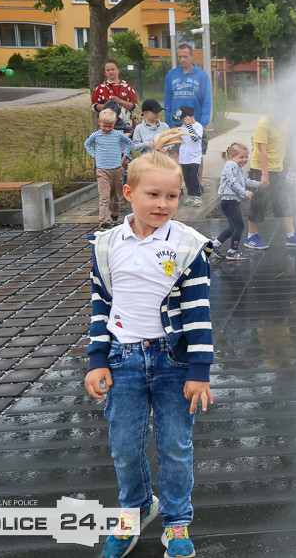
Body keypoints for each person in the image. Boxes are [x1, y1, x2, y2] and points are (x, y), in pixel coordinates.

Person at [83, 131, 213, 558]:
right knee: (124, 445)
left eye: (172, 196)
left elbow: (198, 313)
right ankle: (136, 511)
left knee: (175, 444)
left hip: (173, 360)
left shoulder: (188, 246)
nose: (162, 204)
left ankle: (176, 522)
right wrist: (96, 360)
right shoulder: (106, 246)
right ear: (128, 192)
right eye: (153, 194)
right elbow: (100, 305)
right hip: (122, 359)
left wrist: (199, 372)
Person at [244, 102, 296, 249]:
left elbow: (287, 145)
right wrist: (265, 175)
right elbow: (262, 151)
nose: (281, 117)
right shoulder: (263, 124)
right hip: (260, 171)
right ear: (271, 108)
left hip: (278, 169)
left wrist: (293, 163)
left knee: (283, 201)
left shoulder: (285, 122)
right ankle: (251, 237)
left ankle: (291, 236)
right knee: (259, 203)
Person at [84, 108, 132, 230]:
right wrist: (93, 154)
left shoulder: (117, 134)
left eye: (110, 126)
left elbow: (129, 142)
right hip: (102, 170)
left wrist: (125, 156)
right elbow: (87, 144)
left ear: (114, 124)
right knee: (104, 196)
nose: (107, 129)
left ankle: (115, 214)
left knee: (116, 195)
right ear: (99, 122)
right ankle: (104, 220)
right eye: (105, 126)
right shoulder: (96, 135)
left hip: (117, 168)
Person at [212, 142, 259, 261]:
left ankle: (215, 245)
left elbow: (245, 181)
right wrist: (245, 193)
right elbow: (232, 183)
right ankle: (233, 251)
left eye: (246, 157)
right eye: (241, 157)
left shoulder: (236, 167)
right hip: (230, 202)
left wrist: (259, 184)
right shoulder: (231, 165)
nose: (244, 160)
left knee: (233, 227)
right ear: (231, 157)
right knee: (239, 226)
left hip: (230, 202)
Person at [163, 44, 212, 128]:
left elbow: (207, 101)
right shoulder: (171, 75)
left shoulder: (202, 75)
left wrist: (203, 124)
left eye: (185, 56)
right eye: (180, 57)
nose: (183, 59)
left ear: (192, 56)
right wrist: (168, 122)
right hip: (175, 123)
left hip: (195, 122)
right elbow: (167, 100)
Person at [92, 59, 138, 128]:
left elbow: (134, 106)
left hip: (126, 125)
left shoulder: (127, 86)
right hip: (107, 126)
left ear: (118, 70)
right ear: (105, 72)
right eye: (108, 70)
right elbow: (94, 107)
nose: (110, 72)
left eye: (113, 69)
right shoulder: (100, 88)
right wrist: (108, 105)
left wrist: (119, 101)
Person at [175, 106, 203, 207]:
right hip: (184, 157)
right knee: (186, 177)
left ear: (188, 117)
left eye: (183, 119)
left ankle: (197, 195)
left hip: (194, 157)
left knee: (193, 176)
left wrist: (189, 126)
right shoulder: (182, 127)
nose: (182, 121)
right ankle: (191, 195)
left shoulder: (198, 126)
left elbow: (195, 138)